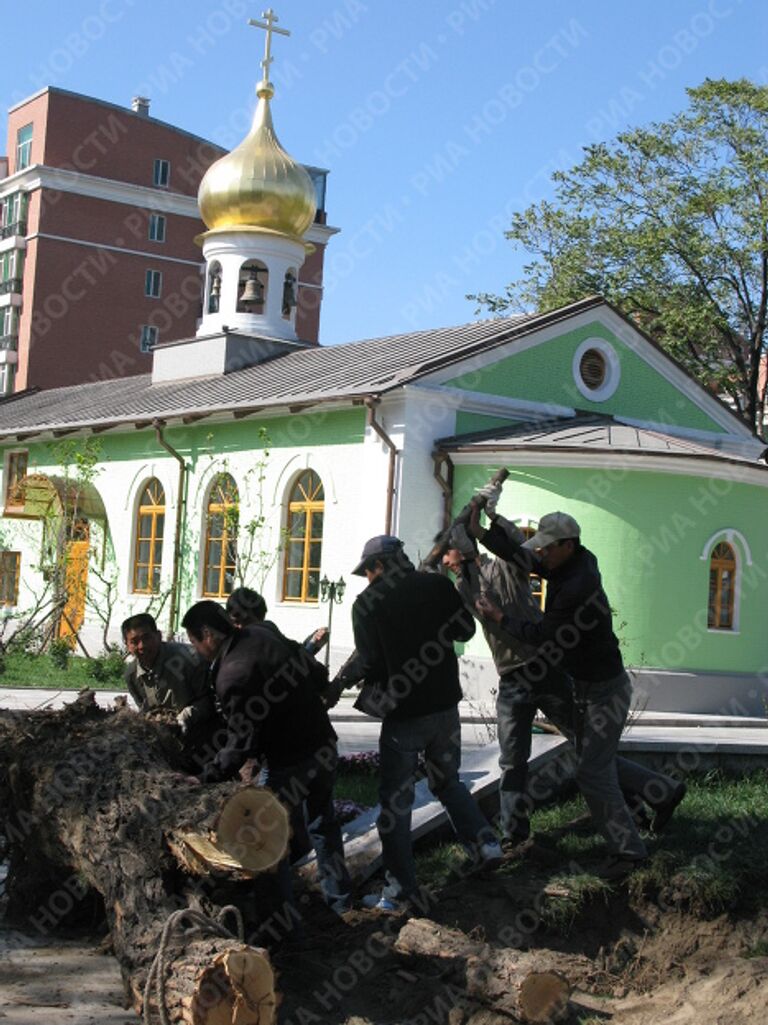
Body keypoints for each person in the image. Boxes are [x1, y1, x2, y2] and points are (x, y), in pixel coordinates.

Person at [471, 493, 685, 880]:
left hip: (604, 692)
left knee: (592, 772)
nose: (541, 557)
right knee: (595, 762)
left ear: (565, 545)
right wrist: (485, 533)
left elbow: (541, 635)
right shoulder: (575, 561)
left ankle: (629, 852)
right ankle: (663, 792)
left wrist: (499, 615)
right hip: (591, 688)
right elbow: (529, 560)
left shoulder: (575, 587)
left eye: (546, 549)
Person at [350, 534, 503, 912]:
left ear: (379, 566)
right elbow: (465, 631)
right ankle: (485, 843)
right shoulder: (437, 585)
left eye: (368, 571)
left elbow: (370, 664)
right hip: (445, 706)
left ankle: (400, 891)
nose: (367, 579)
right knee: (447, 780)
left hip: (404, 715)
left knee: (395, 804)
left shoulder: (366, 604)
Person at [180, 600, 352, 918]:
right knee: (323, 825)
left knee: (267, 843)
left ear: (207, 634)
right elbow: (314, 670)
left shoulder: (231, 674)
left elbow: (241, 741)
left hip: (287, 761)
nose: (195, 650)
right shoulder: (263, 633)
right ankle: (340, 904)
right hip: (323, 744)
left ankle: (283, 924)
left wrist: (207, 776)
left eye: (193, 642)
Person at [121, 612, 215, 734]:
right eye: (134, 641)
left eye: (147, 638)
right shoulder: (131, 675)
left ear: (159, 636)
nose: (142, 646)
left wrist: (185, 717)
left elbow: (209, 700)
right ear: (127, 646)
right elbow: (145, 711)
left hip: (201, 732)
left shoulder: (189, 658)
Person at [226, 586, 329, 656]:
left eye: (246, 622)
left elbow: (293, 662)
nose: (239, 628)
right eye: (235, 622)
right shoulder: (224, 646)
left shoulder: (271, 642)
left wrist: (312, 644)